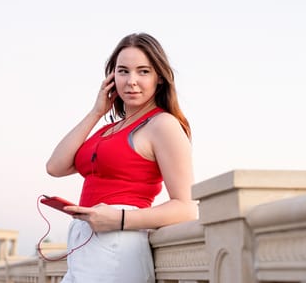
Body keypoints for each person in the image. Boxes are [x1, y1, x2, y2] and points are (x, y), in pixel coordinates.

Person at [46, 32, 196, 283]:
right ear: (111, 77)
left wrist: (120, 219)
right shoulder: (109, 129)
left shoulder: (163, 125)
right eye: (123, 71)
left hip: (118, 244)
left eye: (143, 71)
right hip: (84, 245)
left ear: (159, 78)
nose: (131, 81)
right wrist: (96, 111)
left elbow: (187, 207)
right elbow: (55, 166)